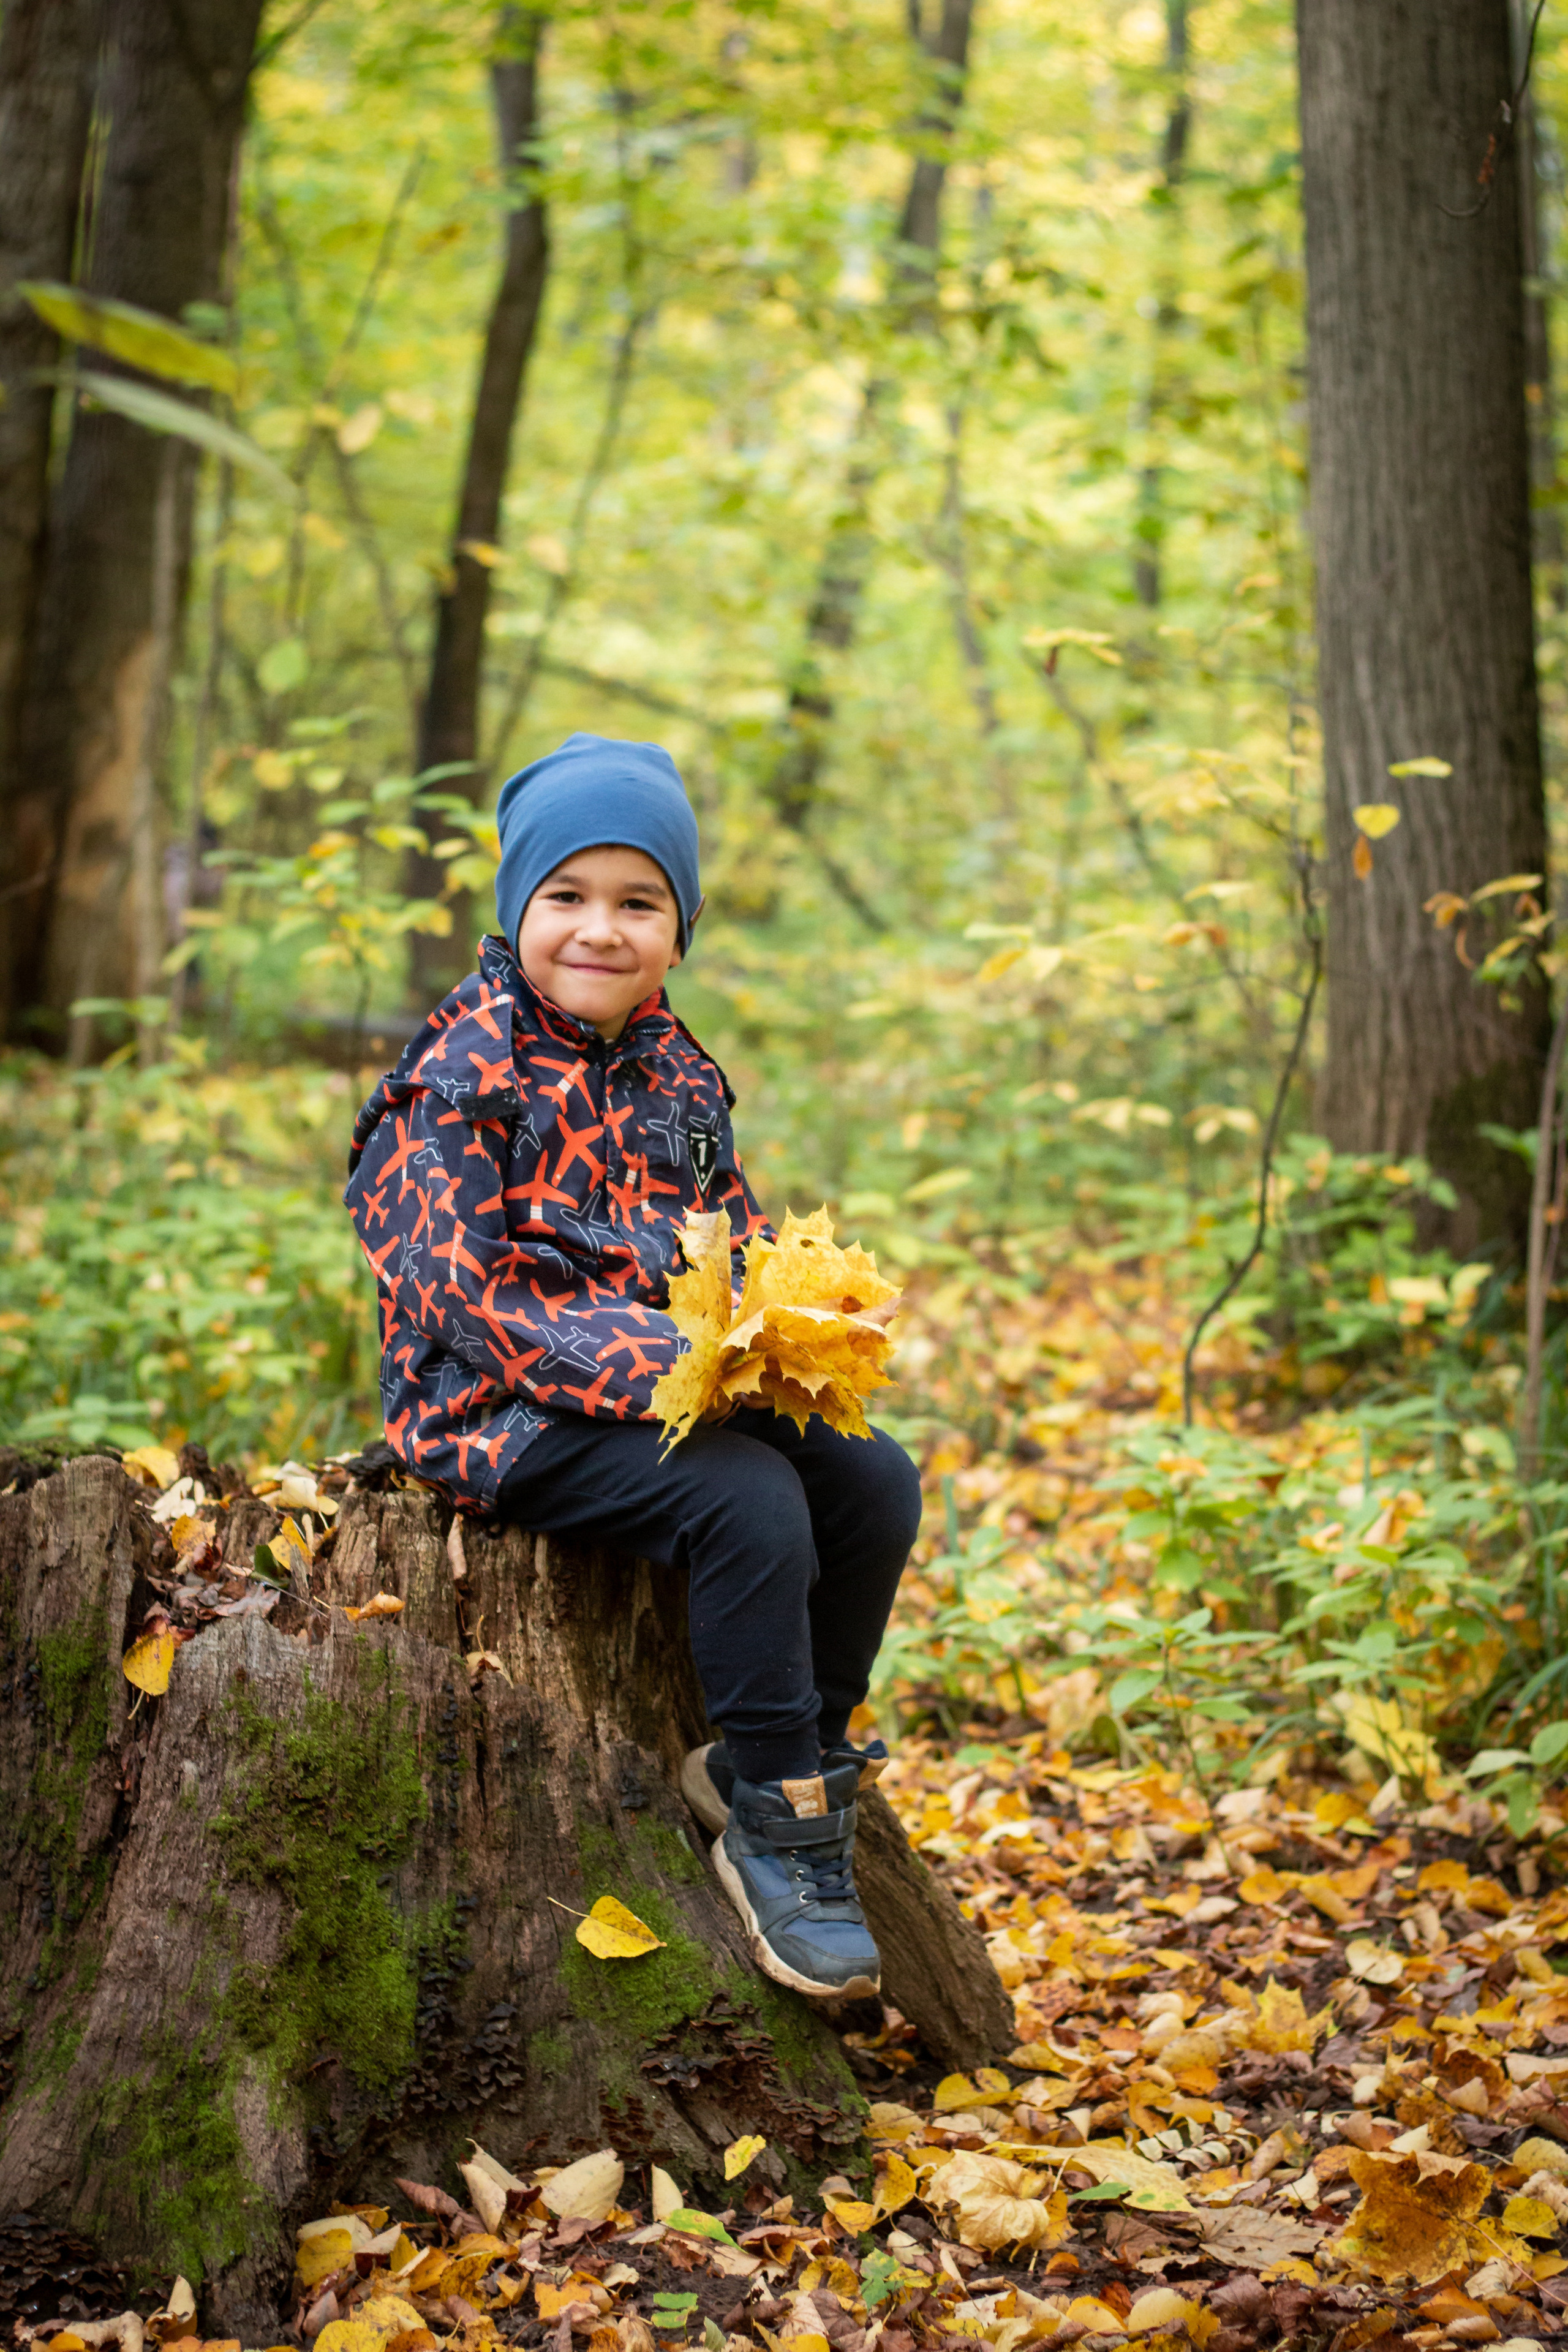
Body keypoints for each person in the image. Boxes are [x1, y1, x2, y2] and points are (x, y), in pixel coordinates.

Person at [344, 732, 923, 2000]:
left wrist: (788, 1316)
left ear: (678, 927)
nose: (598, 930)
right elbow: (457, 1296)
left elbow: (734, 1229)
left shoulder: (674, 1070)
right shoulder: (454, 1078)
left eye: (637, 902)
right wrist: (662, 1361)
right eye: (566, 897)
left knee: (872, 1479)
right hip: (492, 1409)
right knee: (745, 1500)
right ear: (516, 909)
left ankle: (791, 1752)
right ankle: (774, 1825)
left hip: (670, 1385)